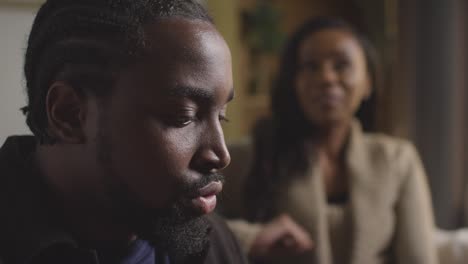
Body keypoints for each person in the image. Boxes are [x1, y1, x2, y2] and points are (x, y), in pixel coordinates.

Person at [0, 0, 248, 263]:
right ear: (69, 114)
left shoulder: (214, 245)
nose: (221, 155)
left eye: (222, 116)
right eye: (182, 117)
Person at [219, 17, 438, 264]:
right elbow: (189, 228)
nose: (326, 78)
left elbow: (419, 258)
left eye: (341, 65)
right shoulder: (249, 156)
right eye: (311, 66)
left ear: (368, 83)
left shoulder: (397, 160)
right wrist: (252, 237)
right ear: (294, 82)